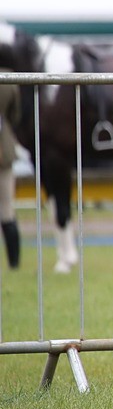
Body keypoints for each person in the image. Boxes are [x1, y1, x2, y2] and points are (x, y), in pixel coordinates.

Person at [0, 79, 21, 269]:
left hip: (4, 154)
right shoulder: (9, 80)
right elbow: (15, 116)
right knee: (7, 209)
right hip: (4, 150)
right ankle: (14, 263)